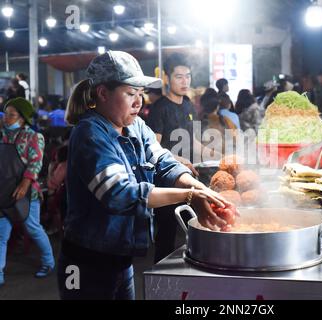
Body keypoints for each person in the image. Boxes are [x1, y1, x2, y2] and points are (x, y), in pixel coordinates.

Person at [58, 50, 229, 300]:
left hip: (121, 260)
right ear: (103, 93)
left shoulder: (135, 125)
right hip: (87, 264)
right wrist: (190, 196)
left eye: (140, 94)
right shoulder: (90, 134)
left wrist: (199, 188)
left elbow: (164, 162)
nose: (139, 103)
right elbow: (120, 194)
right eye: (130, 94)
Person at [146, 53, 222, 263]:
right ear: (167, 78)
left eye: (187, 76)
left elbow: (195, 143)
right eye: (178, 76)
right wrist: (178, 159)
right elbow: (153, 146)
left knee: (195, 229)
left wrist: (220, 157)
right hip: (167, 179)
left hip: (191, 176)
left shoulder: (188, 105)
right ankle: (161, 279)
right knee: (167, 234)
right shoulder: (159, 108)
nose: (184, 81)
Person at [0, 97, 55, 288]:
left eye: (12, 115)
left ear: (22, 118)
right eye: (5, 114)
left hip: (27, 193)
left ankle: (48, 263)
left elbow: (36, 163)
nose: (7, 118)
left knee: (33, 228)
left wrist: (24, 184)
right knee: (1, 233)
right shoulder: (2, 135)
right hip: (3, 192)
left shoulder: (33, 137)